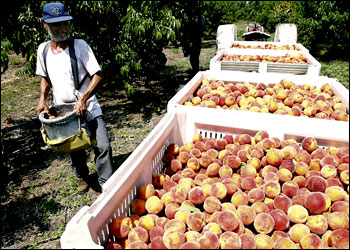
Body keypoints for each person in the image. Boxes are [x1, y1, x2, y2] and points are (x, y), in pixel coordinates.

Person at [35, 2, 113, 192]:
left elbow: (98, 75)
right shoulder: (43, 50)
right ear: (45, 24)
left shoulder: (79, 46)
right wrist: (42, 99)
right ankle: (82, 177)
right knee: (73, 146)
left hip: (88, 106)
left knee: (103, 146)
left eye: (65, 23)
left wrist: (83, 98)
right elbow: (45, 78)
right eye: (57, 25)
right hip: (63, 109)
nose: (63, 28)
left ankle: (107, 183)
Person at [182, 6, 205, 76]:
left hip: (194, 40)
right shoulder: (201, 18)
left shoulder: (196, 19)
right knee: (195, 56)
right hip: (197, 40)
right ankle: (196, 70)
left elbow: (191, 29)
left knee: (193, 57)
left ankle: (196, 71)